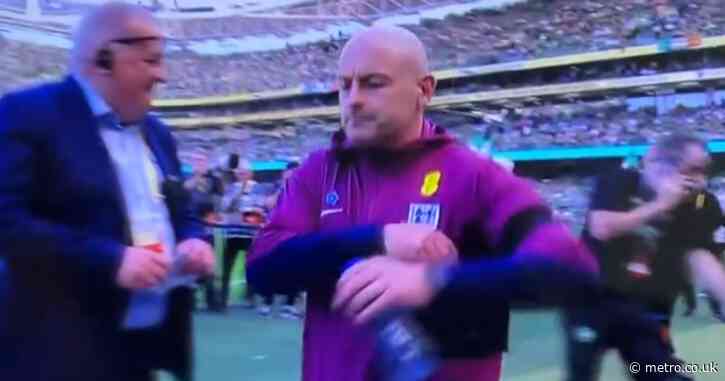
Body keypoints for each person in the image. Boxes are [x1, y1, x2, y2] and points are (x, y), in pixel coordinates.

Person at [248, 25, 597, 381]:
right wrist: (378, 240)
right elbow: (261, 269)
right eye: (345, 84)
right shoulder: (318, 171)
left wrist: (433, 282)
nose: (353, 99)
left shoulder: (474, 175)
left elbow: (568, 265)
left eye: (373, 83)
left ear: (424, 90)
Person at [0, 3, 215, 381]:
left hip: (139, 355)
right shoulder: (26, 114)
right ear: (104, 58)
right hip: (55, 357)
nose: (161, 75)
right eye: (151, 60)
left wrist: (193, 240)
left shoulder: (159, 134)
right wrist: (110, 259)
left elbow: (182, 214)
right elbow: (6, 221)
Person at [563, 134, 725, 381]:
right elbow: (601, 228)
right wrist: (661, 205)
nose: (700, 181)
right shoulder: (620, 181)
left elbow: (698, 254)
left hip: (646, 310)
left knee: (664, 375)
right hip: (591, 301)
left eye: (705, 171)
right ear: (660, 165)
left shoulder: (702, 204)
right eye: (692, 170)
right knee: (583, 372)